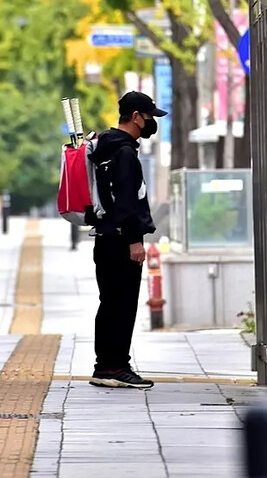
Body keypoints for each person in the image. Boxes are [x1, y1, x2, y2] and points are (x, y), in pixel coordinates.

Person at [88, 90, 167, 389]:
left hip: (105, 238)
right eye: (148, 117)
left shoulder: (105, 147)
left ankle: (105, 365)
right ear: (136, 117)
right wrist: (135, 241)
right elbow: (126, 201)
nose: (150, 123)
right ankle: (115, 366)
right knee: (121, 304)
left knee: (109, 302)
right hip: (121, 241)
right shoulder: (123, 153)